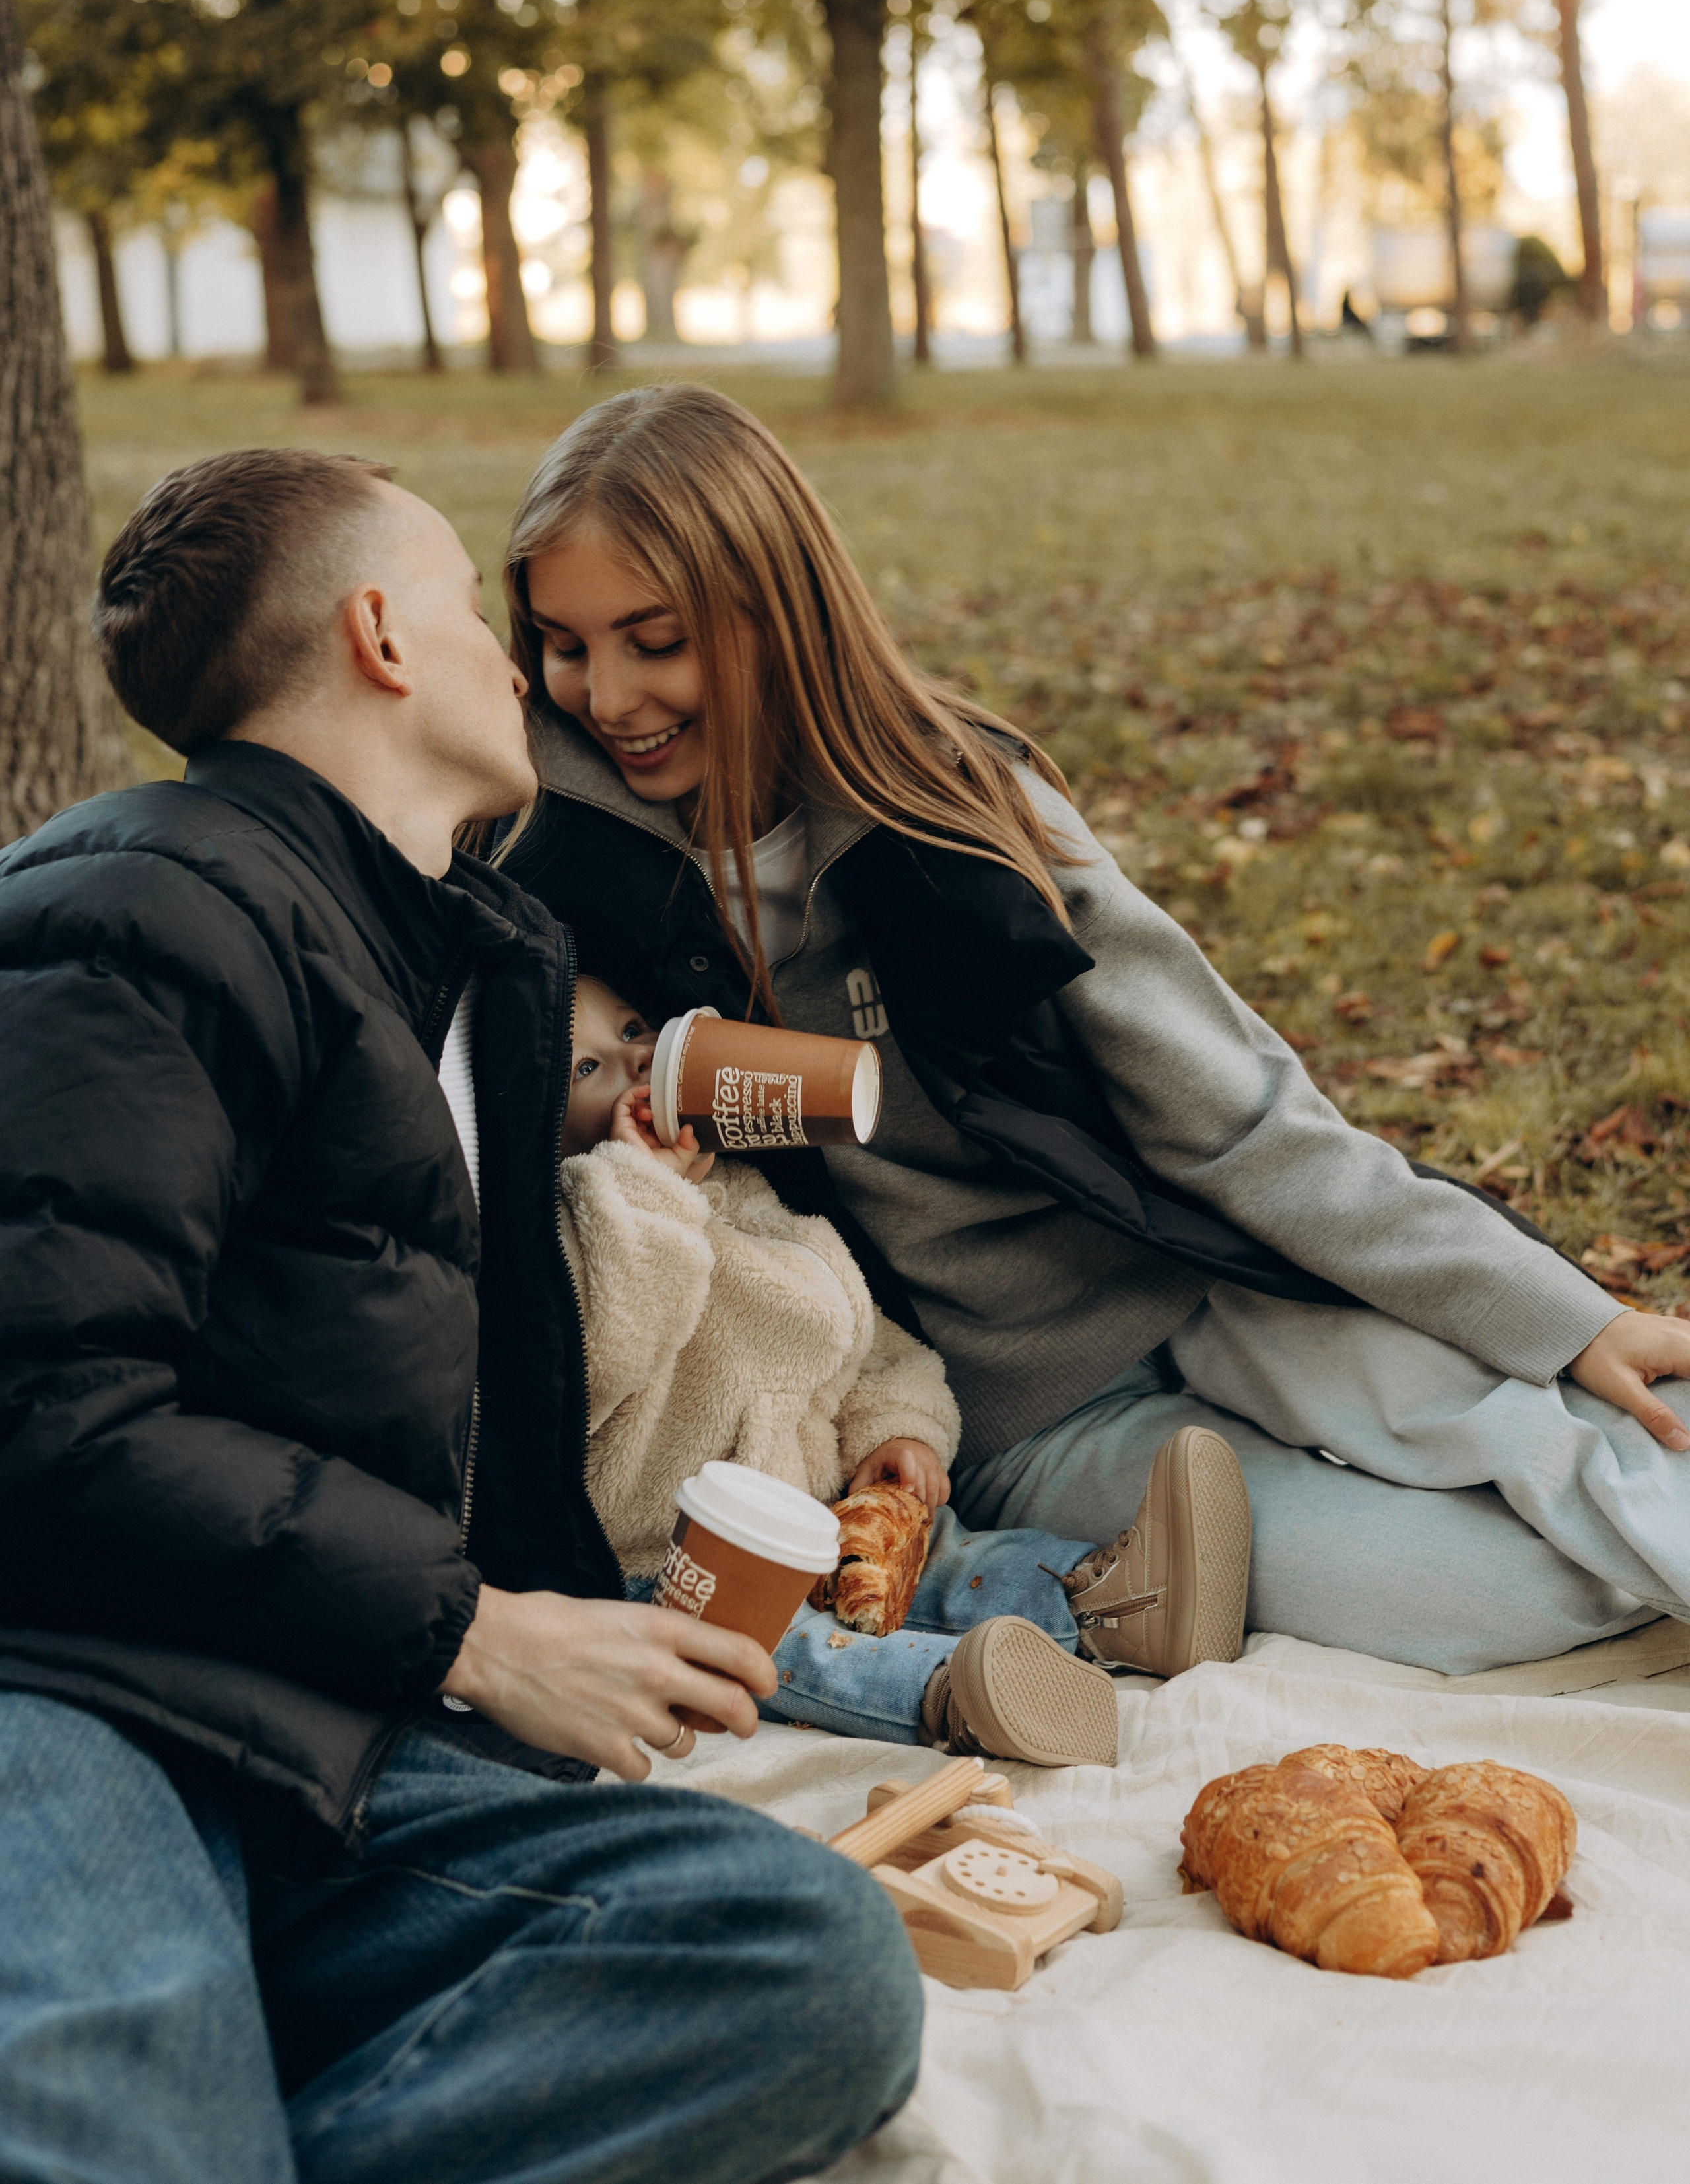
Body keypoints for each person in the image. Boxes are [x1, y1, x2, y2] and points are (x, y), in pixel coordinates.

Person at [0, 448, 922, 2184]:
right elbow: (41, 1413)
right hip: (75, 1700)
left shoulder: (462, 966)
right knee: (122, 2126)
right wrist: (475, 1637)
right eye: (472, 616)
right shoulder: (128, 912)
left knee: (803, 1963)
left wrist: (555, 1633)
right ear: (379, 635)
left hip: (331, 1729)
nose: (522, 669)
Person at [493, 381, 1690, 1679]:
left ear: (776, 615)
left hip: (1198, 1279)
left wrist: (1560, 1315)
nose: (609, 696)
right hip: (1011, 1409)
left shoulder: (955, 810)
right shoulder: (552, 875)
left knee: (1590, 1440)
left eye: (656, 641)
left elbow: (1239, 1116)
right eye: (565, 646)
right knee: (1497, 1593)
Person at [558, 973, 1254, 1768]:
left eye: (633, 1027)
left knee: (945, 1555)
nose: (638, 1057)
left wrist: (895, 1430)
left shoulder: (745, 1195)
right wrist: (641, 1187)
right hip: (674, 1563)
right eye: (587, 1067)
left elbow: (860, 1333)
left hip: (820, 1513)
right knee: (777, 1647)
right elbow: (603, 1349)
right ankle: (953, 1694)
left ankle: (1116, 1600)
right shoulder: (578, 1237)